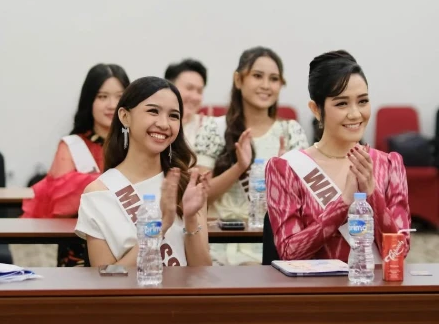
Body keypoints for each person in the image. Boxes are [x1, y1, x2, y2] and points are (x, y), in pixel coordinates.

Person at [266, 50, 411, 262]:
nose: (355, 114)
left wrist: (371, 191)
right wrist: (344, 202)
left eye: (362, 101)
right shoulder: (286, 169)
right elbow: (289, 252)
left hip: (376, 292)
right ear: (316, 109)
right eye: (342, 103)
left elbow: (399, 253)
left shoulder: (389, 165)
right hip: (315, 294)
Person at [75, 76, 212, 267]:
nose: (164, 124)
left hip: (183, 297)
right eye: (153, 111)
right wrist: (160, 227)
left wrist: (190, 219)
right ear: (125, 116)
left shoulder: (187, 186)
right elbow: (106, 281)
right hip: (130, 297)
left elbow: (202, 272)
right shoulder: (98, 193)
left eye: (174, 116)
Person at [194, 47, 309, 265]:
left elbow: (303, 206)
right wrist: (238, 167)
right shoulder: (214, 128)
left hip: (269, 249)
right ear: (238, 80)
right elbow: (200, 197)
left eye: (274, 79)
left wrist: (283, 177)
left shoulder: (290, 132)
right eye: (257, 76)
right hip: (216, 247)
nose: (266, 85)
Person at [20, 64, 130, 267]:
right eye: (102, 97)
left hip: (131, 242)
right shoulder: (71, 145)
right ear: (89, 101)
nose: (111, 104)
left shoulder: (136, 144)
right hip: (80, 246)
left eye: (119, 96)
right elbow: (61, 201)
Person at [164, 59, 208, 148]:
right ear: (169, 87)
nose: (195, 97)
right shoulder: (155, 124)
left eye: (199, 91)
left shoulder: (208, 128)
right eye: (189, 88)